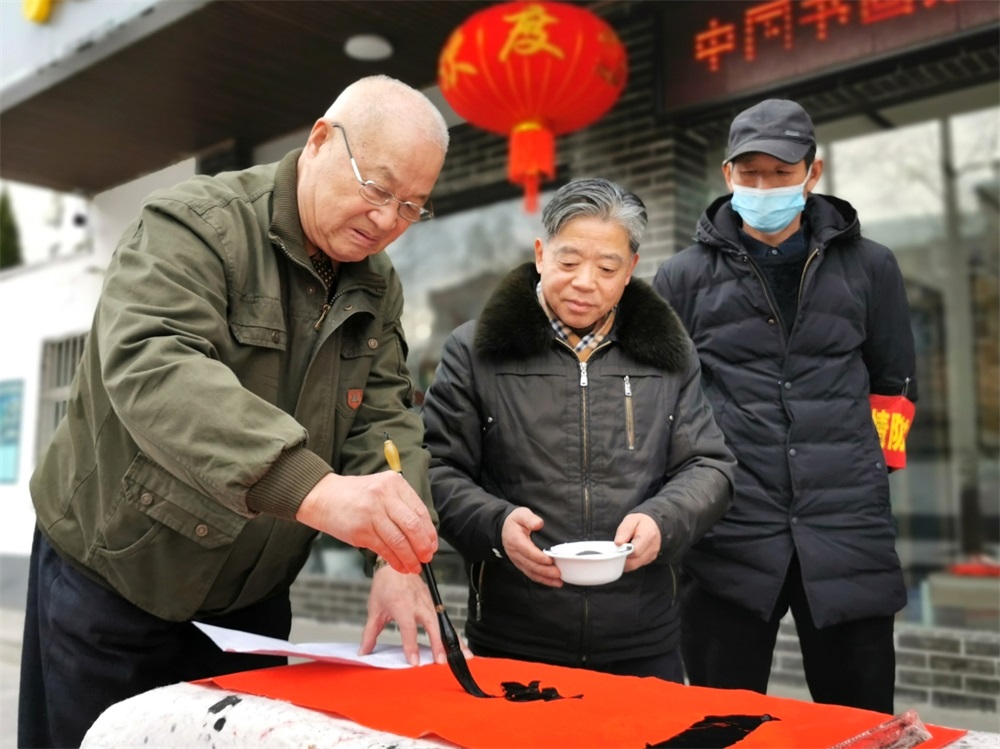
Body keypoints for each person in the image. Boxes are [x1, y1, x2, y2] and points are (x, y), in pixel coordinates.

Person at [19, 75, 453, 749]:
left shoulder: (376, 281)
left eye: (412, 206)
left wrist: (397, 555)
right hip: (120, 574)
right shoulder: (194, 223)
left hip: (249, 606)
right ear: (319, 141)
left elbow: (385, 415)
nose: (387, 219)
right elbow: (155, 366)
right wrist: (313, 488)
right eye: (377, 187)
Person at [652, 99, 917, 713]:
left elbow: (893, 384)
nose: (764, 186)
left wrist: (866, 475)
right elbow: (669, 402)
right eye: (750, 174)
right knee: (723, 717)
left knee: (858, 718)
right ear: (727, 174)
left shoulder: (871, 266)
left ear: (813, 174)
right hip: (730, 529)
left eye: (780, 172)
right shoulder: (682, 279)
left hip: (847, 528)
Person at [421, 178, 735, 681]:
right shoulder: (474, 350)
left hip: (642, 638)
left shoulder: (668, 353)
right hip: (514, 638)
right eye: (569, 262)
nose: (585, 281)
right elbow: (438, 469)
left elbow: (709, 466)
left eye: (607, 267)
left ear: (630, 269)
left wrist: (664, 519)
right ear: (541, 254)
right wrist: (496, 525)